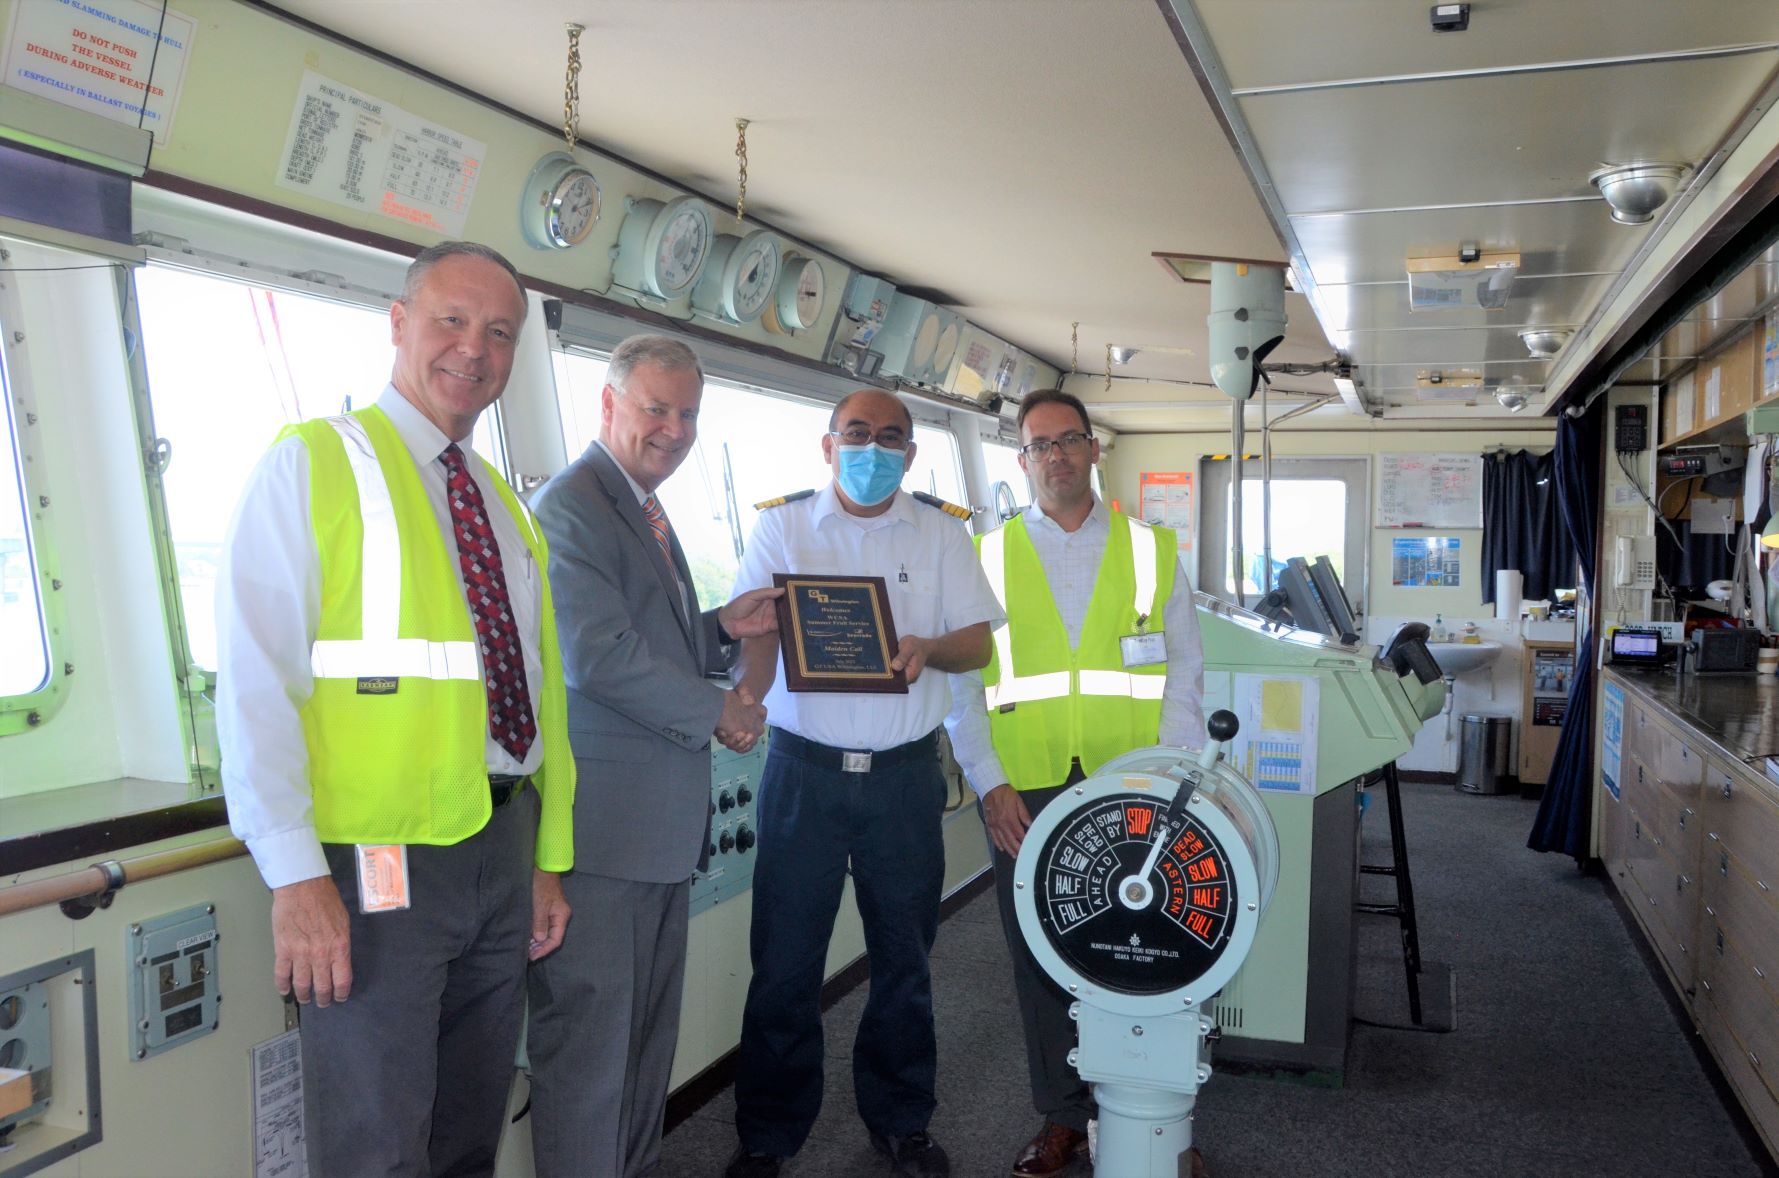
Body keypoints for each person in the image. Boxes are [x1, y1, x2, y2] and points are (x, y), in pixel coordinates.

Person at [216, 241, 575, 1177]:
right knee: (375, 1141)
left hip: (501, 846)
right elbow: (254, 683)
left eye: (499, 332)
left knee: (468, 1129)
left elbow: (541, 699)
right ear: (399, 322)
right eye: (452, 320)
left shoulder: (504, 506)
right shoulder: (312, 463)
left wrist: (544, 861)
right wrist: (297, 878)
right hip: (375, 866)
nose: (474, 349)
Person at [722, 389, 1002, 1178]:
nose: (871, 450)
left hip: (901, 780)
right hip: (802, 776)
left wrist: (927, 649)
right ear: (827, 444)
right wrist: (746, 698)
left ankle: (901, 1121)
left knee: (904, 961)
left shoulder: (941, 532)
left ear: (909, 454)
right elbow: (759, 632)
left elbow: (977, 644)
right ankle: (768, 1134)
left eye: (888, 438)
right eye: (856, 434)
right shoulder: (782, 527)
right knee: (784, 964)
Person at [525, 334, 782, 1178]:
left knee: (639, 1055)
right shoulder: (572, 506)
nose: (674, 430)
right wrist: (718, 710)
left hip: (657, 836)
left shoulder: (641, 507)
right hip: (603, 838)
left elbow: (645, 638)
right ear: (608, 404)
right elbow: (597, 655)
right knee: (592, 1059)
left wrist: (720, 628)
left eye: (688, 414)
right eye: (655, 409)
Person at [945, 388, 1205, 1178]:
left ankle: (1155, 1116)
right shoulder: (983, 554)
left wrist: (1169, 775)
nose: (1054, 456)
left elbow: (1184, 669)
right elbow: (961, 687)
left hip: (1131, 783)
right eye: (1038, 444)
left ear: (1093, 449)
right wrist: (988, 782)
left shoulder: (1150, 549)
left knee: (1146, 948)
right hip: (1022, 788)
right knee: (1038, 954)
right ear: (1022, 459)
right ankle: (1061, 1115)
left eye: (1067, 440)